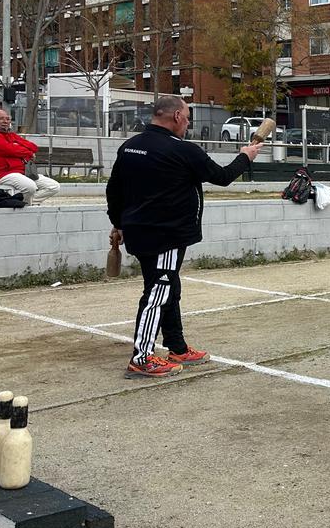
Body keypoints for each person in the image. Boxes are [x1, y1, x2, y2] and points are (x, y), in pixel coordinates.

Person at [106, 96, 261, 378]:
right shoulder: (183, 150)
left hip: (139, 231)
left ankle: (176, 346)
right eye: (187, 118)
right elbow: (223, 176)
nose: (188, 124)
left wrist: (117, 224)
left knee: (168, 288)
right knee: (158, 292)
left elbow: (114, 190)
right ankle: (141, 357)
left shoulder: (129, 147)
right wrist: (245, 156)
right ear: (176, 116)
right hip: (167, 234)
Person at [0, 109, 60, 205]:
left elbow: (33, 147)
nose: (5, 121)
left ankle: (25, 204)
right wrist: (26, 152)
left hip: (21, 172)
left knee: (53, 186)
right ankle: (23, 206)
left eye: (7, 119)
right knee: (30, 187)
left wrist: (18, 147)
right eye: (1, 119)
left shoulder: (10, 135)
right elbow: (10, 150)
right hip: (1, 174)